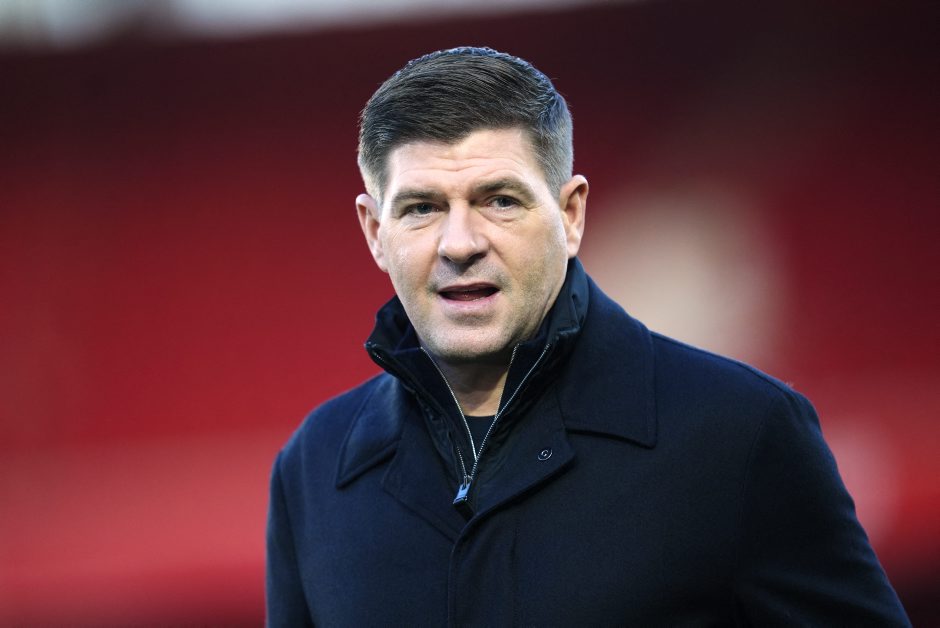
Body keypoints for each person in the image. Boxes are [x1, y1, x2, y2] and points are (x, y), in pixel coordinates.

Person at [266, 46, 909, 626]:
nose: (459, 244)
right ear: (375, 233)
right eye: (422, 208)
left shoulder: (743, 433)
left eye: (500, 200)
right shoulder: (314, 468)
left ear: (570, 215)